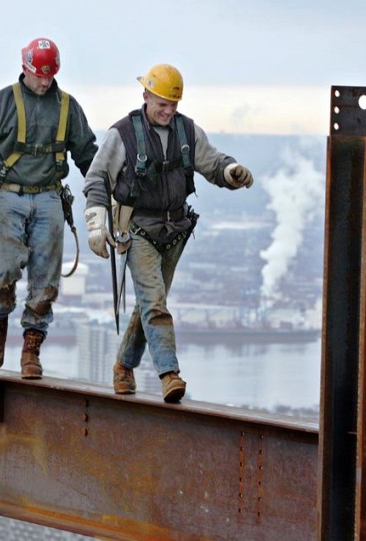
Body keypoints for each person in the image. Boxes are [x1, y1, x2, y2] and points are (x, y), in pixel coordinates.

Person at [82, 64, 254, 402]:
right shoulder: (122, 135)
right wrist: (95, 222)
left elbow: (212, 163)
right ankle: (169, 374)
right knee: (155, 301)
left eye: (173, 104)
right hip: (137, 230)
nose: (168, 110)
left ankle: (123, 366)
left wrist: (231, 172)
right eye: (162, 103)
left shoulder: (188, 132)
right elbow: (97, 178)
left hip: (175, 231)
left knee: (150, 303)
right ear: (145, 96)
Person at [0, 37, 98, 378]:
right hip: (8, 194)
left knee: (46, 279)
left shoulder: (67, 107)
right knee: (4, 268)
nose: (44, 82)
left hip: (50, 195)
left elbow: (88, 155)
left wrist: (103, 192)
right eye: (39, 75)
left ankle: (32, 347)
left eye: (50, 75)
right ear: (25, 68)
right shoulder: (1, 104)